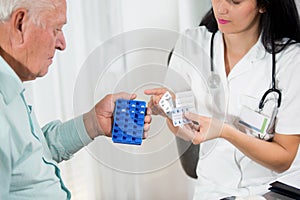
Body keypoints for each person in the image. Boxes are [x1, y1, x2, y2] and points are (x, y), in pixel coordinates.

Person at [145, 0, 300, 199]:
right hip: (213, 189)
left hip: (272, 189)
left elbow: (283, 159)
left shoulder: (291, 61)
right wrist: (171, 114)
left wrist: (224, 132)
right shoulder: (191, 43)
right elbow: (181, 130)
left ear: (263, 5)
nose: (221, 9)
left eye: (235, 1)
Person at [0, 0, 151, 199]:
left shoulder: (10, 90)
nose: (62, 44)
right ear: (20, 23)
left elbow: (32, 157)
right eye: (56, 29)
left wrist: (94, 123)